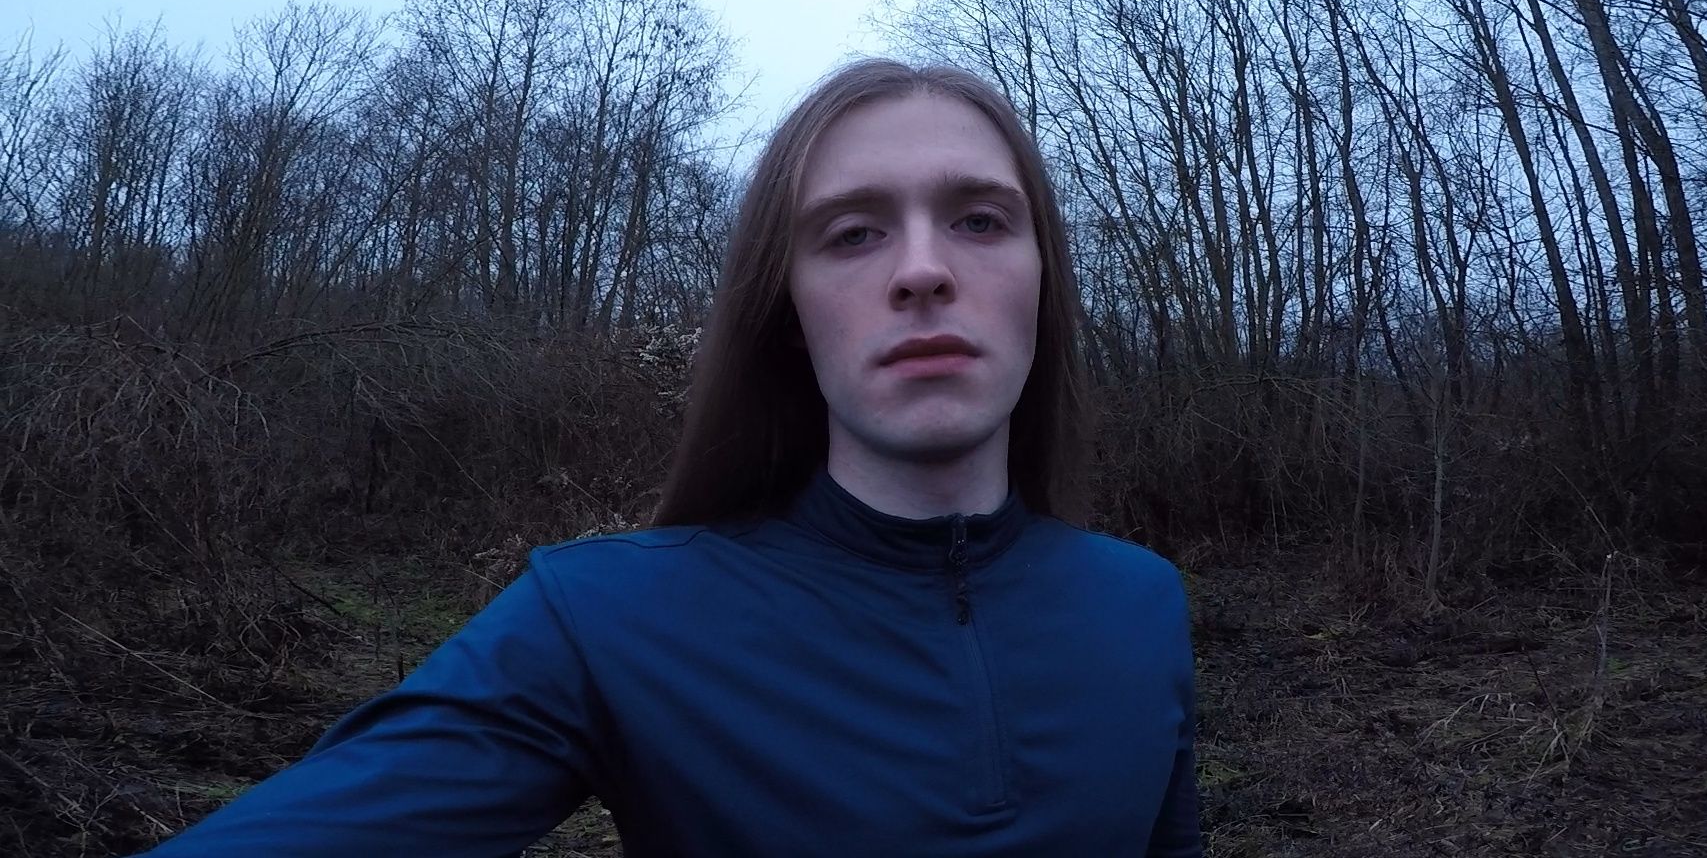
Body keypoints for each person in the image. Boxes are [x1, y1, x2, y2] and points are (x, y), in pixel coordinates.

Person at [143, 59, 1201, 856]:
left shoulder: (1143, 604)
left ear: (1043, 280)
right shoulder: (604, 621)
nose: (922, 271)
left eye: (978, 219)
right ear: (788, 315)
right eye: (852, 233)